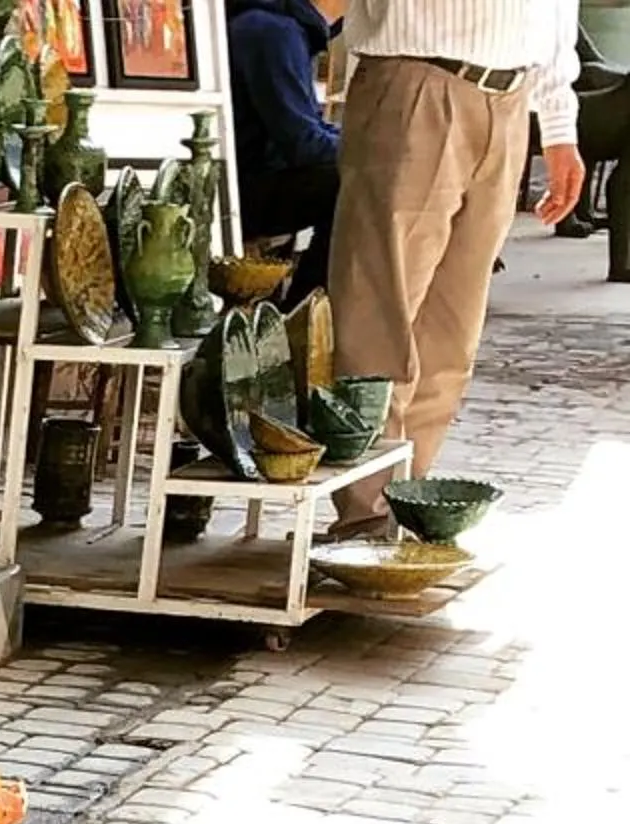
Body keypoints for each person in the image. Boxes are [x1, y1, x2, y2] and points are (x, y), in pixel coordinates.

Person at [325, 0, 586, 481]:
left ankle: (409, 496)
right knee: (379, 317)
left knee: (452, 332)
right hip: (415, 82)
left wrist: (558, 122)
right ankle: (366, 510)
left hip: (510, 98)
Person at [232, 0, 349, 298]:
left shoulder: (282, 28)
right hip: (241, 192)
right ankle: (304, 308)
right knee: (357, 183)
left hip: (249, 181)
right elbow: (303, 143)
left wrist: (361, 142)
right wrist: (369, 150)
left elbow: (309, 132)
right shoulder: (274, 32)